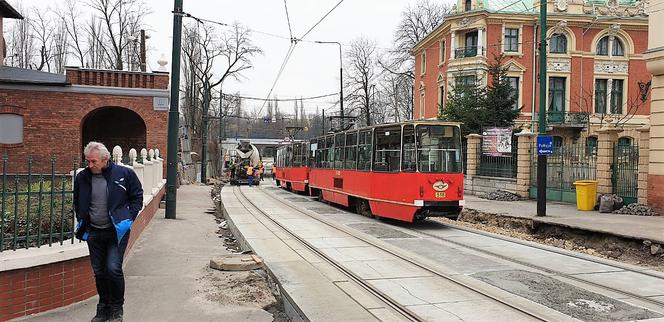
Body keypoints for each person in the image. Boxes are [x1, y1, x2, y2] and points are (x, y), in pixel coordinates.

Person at [74, 142, 143, 322]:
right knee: (99, 271)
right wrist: (82, 217)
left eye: (93, 161)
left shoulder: (124, 174)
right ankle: (103, 307)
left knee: (113, 269)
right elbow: (77, 200)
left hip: (116, 231)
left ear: (105, 159)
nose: (89, 165)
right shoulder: (82, 177)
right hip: (94, 231)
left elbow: (137, 196)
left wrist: (128, 218)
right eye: (87, 161)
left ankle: (116, 308)